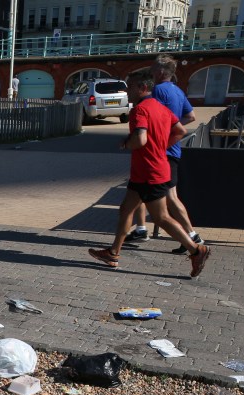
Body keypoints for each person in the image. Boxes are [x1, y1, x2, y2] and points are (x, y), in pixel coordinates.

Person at [88, 71, 211, 279]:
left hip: (149, 172)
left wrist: (128, 143)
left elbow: (141, 139)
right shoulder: (161, 108)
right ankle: (113, 253)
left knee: (161, 217)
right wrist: (162, 147)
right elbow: (180, 130)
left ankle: (196, 250)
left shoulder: (140, 110)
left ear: (143, 88)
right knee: (126, 208)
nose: (127, 91)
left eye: (131, 86)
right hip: (148, 169)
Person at [125, 55, 203, 253]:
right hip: (168, 151)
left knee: (168, 201)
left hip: (159, 153)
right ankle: (140, 229)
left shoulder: (156, 91)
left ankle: (193, 240)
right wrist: (169, 130)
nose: (150, 74)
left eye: (152, 70)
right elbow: (190, 117)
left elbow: (149, 115)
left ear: (159, 73)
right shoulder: (177, 90)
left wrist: (160, 138)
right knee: (138, 191)